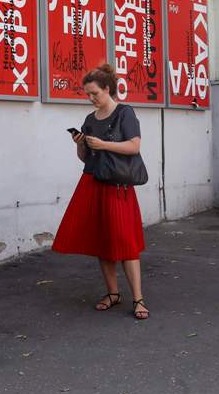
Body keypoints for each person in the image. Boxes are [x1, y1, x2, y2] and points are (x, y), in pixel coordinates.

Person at [52, 63, 149, 320]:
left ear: (108, 89)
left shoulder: (125, 113)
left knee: (126, 244)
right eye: (87, 94)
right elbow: (87, 158)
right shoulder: (89, 120)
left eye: (94, 93)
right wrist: (80, 145)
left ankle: (138, 299)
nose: (91, 98)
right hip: (94, 182)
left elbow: (134, 147)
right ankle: (113, 293)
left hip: (118, 186)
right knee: (101, 241)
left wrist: (104, 144)